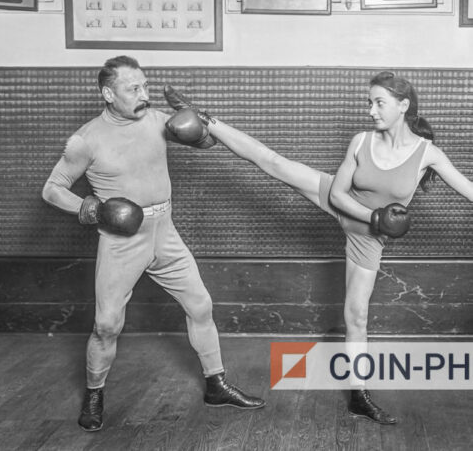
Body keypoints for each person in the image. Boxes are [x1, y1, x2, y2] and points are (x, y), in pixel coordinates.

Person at [164, 71, 473, 424]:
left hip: (366, 240)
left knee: (356, 316)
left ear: (403, 106)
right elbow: (339, 195)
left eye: (379, 103)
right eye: (368, 102)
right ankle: (206, 119)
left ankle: (359, 396)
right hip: (347, 206)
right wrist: (374, 216)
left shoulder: (426, 154)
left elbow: (468, 188)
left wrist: (372, 225)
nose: (371, 110)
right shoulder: (361, 141)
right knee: (274, 162)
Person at [42, 55, 265, 432]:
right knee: (106, 325)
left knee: (200, 305)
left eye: (145, 86)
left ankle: (216, 384)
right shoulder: (86, 139)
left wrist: (197, 120)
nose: (144, 94)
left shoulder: (157, 120)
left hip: (165, 231)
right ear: (108, 94)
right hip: (121, 241)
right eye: (134, 89)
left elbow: (208, 143)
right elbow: (52, 190)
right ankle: (95, 394)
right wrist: (93, 210)